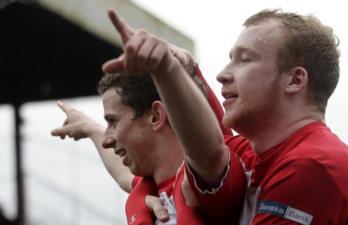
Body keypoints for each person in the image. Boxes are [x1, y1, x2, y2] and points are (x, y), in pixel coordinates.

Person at [102, 8, 348, 225]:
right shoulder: (257, 157)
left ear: (295, 80)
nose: (223, 74)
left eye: (245, 59)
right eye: (229, 58)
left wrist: (167, 69)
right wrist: (184, 73)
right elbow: (207, 150)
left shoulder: (311, 166)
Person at [51, 49, 236, 224]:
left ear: (156, 116)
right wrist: (89, 128)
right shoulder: (151, 190)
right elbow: (123, 175)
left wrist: (187, 68)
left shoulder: (215, 182)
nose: (107, 141)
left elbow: (215, 149)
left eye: (113, 122)